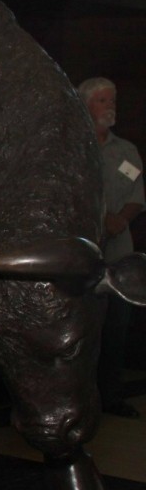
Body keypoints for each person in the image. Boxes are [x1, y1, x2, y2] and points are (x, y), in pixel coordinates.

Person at [79, 76, 144, 419]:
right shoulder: (74, 148)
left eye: (112, 99)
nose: (110, 106)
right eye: (103, 100)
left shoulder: (126, 151)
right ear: (86, 105)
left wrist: (122, 218)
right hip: (84, 255)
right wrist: (102, 219)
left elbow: (137, 195)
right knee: (86, 330)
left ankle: (111, 396)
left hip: (120, 256)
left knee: (118, 328)